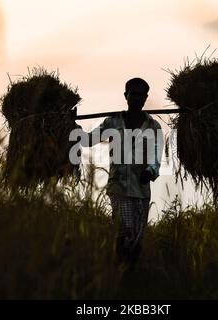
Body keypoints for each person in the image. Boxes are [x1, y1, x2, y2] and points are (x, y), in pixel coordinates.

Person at [74, 78, 163, 268]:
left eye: (141, 95)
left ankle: (129, 274)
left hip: (141, 188)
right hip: (119, 186)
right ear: (126, 96)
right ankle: (119, 270)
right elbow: (89, 140)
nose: (137, 99)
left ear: (146, 98)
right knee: (124, 230)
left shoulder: (153, 127)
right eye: (134, 94)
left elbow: (156, 156)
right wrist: (73, 126)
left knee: (137, 239)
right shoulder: (112, 122)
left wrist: (150, 171)